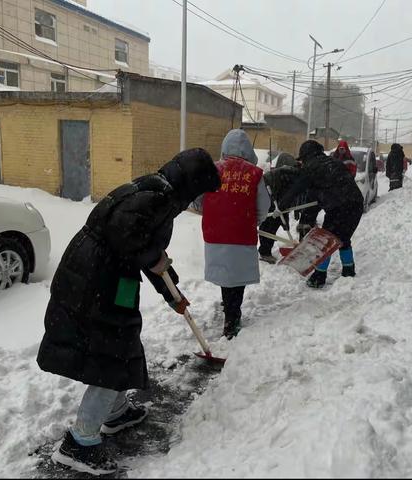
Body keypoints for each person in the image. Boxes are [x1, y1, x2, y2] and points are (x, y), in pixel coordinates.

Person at [36, 148, 221, 475]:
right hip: (95, 279)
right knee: (110, 356)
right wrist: (154, 259)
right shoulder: (156, 197)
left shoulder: (156, 190)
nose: (198, 200)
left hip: (108, 277)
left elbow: (144, 249)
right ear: (191, 184)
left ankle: (116, 412)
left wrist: (171, 292)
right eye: (201, 192)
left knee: (122, 342)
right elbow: (129, 237)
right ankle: (80, 443)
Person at [193, 129, 270, 339]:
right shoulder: (254, 174)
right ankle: (232, 316)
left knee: (225, 274)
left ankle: (230, 310)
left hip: (215, 233)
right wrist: (255, 220)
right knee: (238, 276)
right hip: (242, 233)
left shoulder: (213, 170)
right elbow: (264, 204)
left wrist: (211, 212)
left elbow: (198, 200)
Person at [279, 140, 364, 289]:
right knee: (343, 238)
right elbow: (315, 198)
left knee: (326, 240)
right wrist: (307, 219)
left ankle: (319, 276)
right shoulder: (334, 163)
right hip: (356, 205)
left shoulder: (312, 166)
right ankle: (348, 270)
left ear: (306, 156)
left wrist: (281, 206)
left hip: (340, 206)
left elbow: (297, 188)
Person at [258, 153, 299, 264]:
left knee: (268, 228)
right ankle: (265, 252)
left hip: (274, 205)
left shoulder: (274, 174)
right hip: (276, 205)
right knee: (269, 228)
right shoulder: (292, 175)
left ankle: (265, 251)